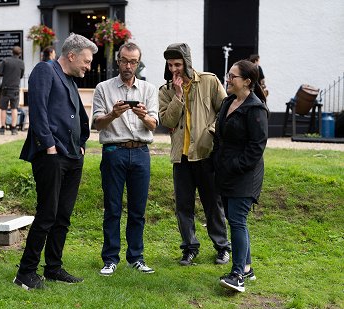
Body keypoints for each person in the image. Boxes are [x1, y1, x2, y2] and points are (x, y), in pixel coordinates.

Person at [14, 33, 98, 290]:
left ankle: (53, 268)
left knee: (63, 216)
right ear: (71, 56)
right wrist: (49, 146)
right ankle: (25, 273)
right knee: (47, 213)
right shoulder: (45, 70)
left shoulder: (71, 79)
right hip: (51, 156)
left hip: (73, 156)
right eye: (86, 61)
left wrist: (81, 144)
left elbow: (74, 115)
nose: (88, 66)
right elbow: (38, 111)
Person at [158, 43, 231, 267]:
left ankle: (222, 247)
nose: (174, 70)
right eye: (170, 65)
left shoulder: (209, 81)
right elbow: (167, 121)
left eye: (178, 64)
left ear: (187, 63)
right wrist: (178, 96)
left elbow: (226, 111)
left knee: (213, 204)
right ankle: (189, 248)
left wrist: (210, 132)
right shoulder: (166, 90)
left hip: (206, 154)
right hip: (181, 158)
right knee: (184, 207)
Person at [92, 42, 159, 276]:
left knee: (138, 209)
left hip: (141, 151)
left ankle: (136, 257)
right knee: (112, 208)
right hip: (114, 151)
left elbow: (154, 125)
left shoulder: (149, 89)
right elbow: (96, 124)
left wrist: (143, 116)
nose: (128, 66)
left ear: (138, 63)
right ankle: (110, 258)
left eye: (133, 61)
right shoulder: (103, 87)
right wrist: (113, 114)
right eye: (124, 60)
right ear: (117, 61)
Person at [214, 60, 268, 293]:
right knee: (234, 219)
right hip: (226, 171)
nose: (228, 79)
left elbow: (257, 147)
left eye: (233, 76)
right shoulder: (228, 102)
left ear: (247, 81)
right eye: (228, 75)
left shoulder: (255, 109)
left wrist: (236, 165)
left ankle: (237, 275)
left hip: (245, 174)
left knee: (237, 220)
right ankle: (246, 267)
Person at [0, 46, 25, 135]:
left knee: (3, 108)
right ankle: (14, 128)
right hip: (15, 88)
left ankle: (2, 128)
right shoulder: (21, 63)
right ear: (20, 54)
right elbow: (21, 75)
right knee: (14, 108)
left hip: (5, 87)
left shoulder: (5, 61)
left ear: (12, 52)